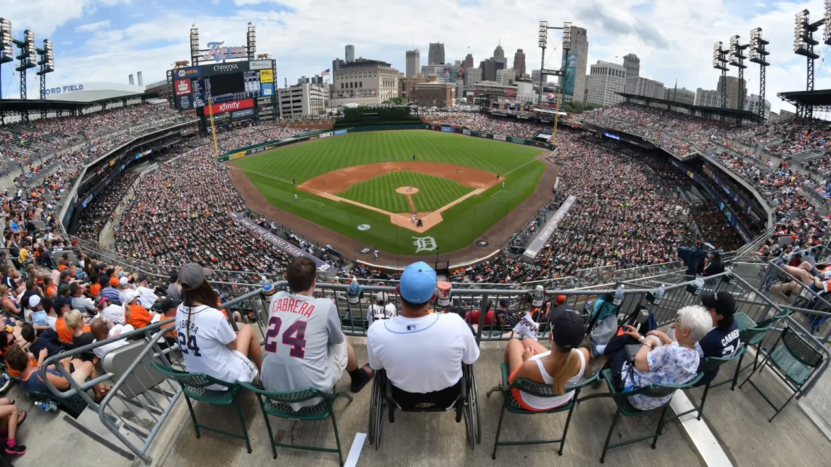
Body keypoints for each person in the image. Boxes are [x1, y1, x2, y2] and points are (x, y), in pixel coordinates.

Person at [261, 257, 373, 410]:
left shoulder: (275, 299)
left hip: (272, 388)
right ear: (314, 282)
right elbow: (336, 340)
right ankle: (357, 378)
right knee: (342, 338)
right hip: (310, 393)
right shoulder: (325, 306)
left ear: (288, 281)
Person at [367, 261, 480, 406]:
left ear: (398, 290)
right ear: (433, 297)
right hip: (449, 396)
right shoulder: (456, 322)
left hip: (400, 397)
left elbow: (376, 366)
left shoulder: (377, 330)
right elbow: (471, 359)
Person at [600, 305, 711, 410]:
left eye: (677, 322)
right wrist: (643, 337)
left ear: (685, 331)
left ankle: (599, 374)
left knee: (622, 350)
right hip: (658, 400)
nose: (674, 324)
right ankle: (601, 362)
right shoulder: (695, 356)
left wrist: (648, 342)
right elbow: (673, 348)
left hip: (635, 396)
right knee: (635, 342)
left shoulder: (669, 351)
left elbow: (639, 363)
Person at [175, 263, 262, 388]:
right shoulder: (213, 315)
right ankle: (264, 377)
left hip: (200, 381)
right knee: (248, 329)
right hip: (223, 381)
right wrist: (233, 337)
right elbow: (234, 346)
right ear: (203, 285)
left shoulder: (180, 309)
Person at [503, 312, 590, 411]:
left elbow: (512, 380)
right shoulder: (585, 354)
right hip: (563, 399)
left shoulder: (530, 366)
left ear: (550, 336)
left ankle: (503, 381)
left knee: (514, 342)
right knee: (527, 341)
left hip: (532, 402)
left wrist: (527, 360)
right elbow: (562, 371)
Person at [8, 343, 111, 403]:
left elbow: (40, 369)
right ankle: (98, 395)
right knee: (88, 364)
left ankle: (100, 386)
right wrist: (65, 364)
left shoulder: (22, 375)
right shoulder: (42, 375)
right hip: (67, 391)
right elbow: (65, 383)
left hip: (56, 389)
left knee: (77, 362)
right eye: (25, 351)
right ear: (27, 357)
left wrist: (57, 364)